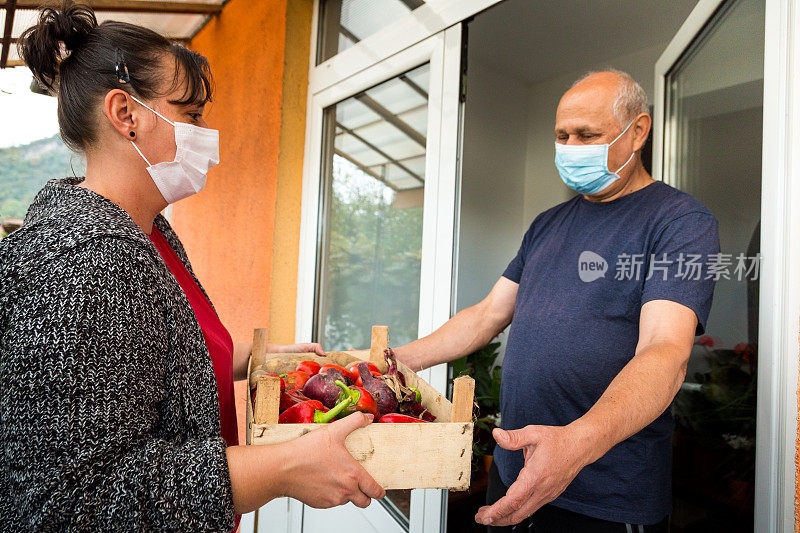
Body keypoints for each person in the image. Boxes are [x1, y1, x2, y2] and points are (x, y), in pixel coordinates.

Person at [0, 2, 383, 530]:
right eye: (193, 113)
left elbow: (144, 368)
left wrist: (251, 357)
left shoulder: (149, 233)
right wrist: (284, 467)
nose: (207, 132)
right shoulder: (86, 260)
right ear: (125, 114)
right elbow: (77, 503)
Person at [395, 70, 720, 532]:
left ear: (638, 131)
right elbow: (488, 314)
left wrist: (575, 445)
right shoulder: (547, 224)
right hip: (513, 470)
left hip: (607, 494)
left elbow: (665, 351)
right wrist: (393, 361)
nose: (570, 147)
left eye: (587, 135)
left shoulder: (683, 222)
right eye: (561, 136)